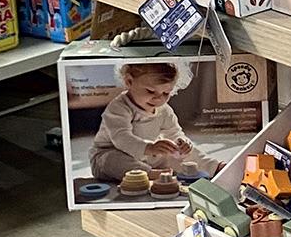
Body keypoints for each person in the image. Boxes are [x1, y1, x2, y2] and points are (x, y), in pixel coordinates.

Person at [88, 61, 218, 183]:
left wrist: (181, 143)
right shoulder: (119, 107)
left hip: (148, 156)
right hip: (109, 154)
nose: (158, 98)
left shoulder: (164, 110)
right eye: (150, 91)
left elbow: (174, 133)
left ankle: (215, 167)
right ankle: (148, 173)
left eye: (166, 93)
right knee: (112, 160)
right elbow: (121, 137)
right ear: (129, 81)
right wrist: (149, 148)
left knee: (181, 153)